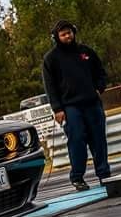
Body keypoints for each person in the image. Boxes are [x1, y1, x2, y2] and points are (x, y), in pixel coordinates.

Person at [42, 19, 111, 191]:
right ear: (56, 37)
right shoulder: (51, 59)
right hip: (70, 107)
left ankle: (104, 174)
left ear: (74, 32)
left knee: (99, 140)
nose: (67, 36)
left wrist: (99, 88)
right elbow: (50, 86)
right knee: (77, 140)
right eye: (63, 34)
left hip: (92, 103)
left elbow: (101, 73)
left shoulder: (86, 52)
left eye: (69, 33)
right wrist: (57, 109)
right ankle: (77, 177)